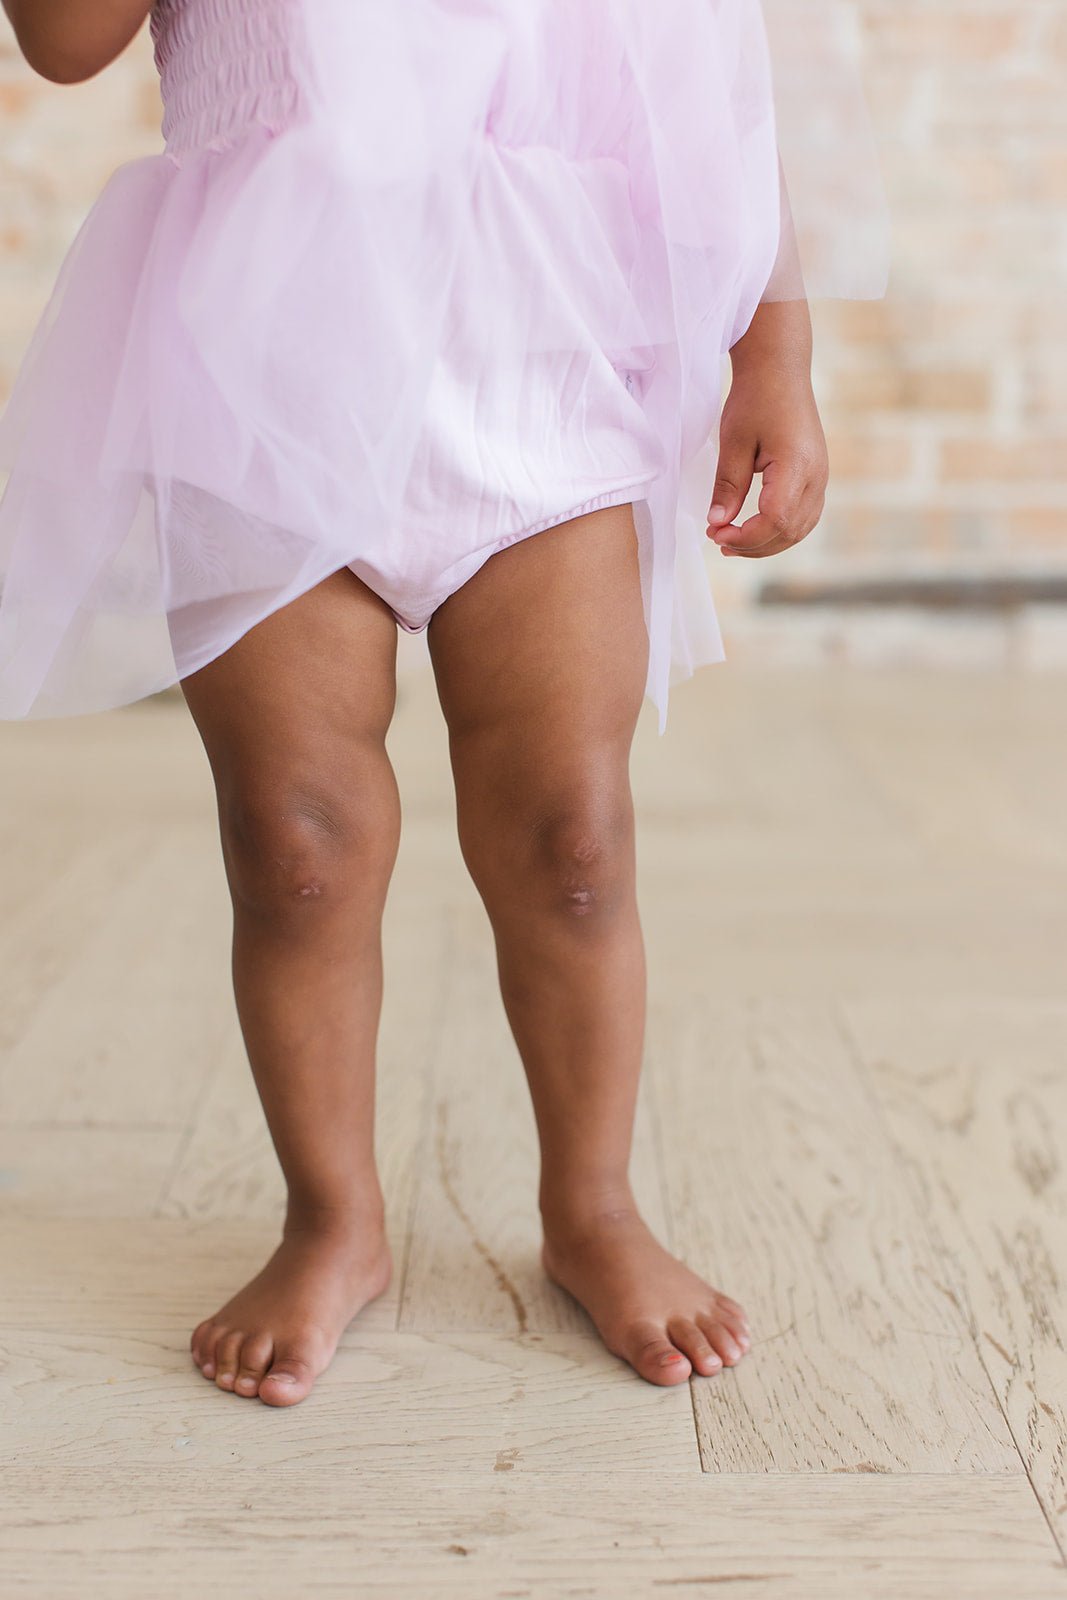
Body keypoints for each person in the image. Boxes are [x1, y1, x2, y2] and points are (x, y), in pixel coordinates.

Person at [0, 0, 880, 1405]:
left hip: (545, 335)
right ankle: (332, 1217)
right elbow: (59, 41)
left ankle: (593, 1207)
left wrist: (772, 343)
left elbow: (705, 57)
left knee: (572, 840)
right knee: (295, 845)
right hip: (267, 342)